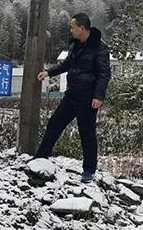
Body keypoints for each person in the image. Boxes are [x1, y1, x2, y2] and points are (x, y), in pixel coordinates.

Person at [35, 13, 111, 183]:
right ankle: (40, 157)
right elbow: (67, 64)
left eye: (72, 27)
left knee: (87, 134)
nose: (71, 30)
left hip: (88, 98)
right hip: (71, 95)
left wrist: (99, 96)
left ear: (82, 28)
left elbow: (104, 74)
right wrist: (49, 72)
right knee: (54, 124)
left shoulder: (100, 47)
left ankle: (89, 170)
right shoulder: (75, 45)